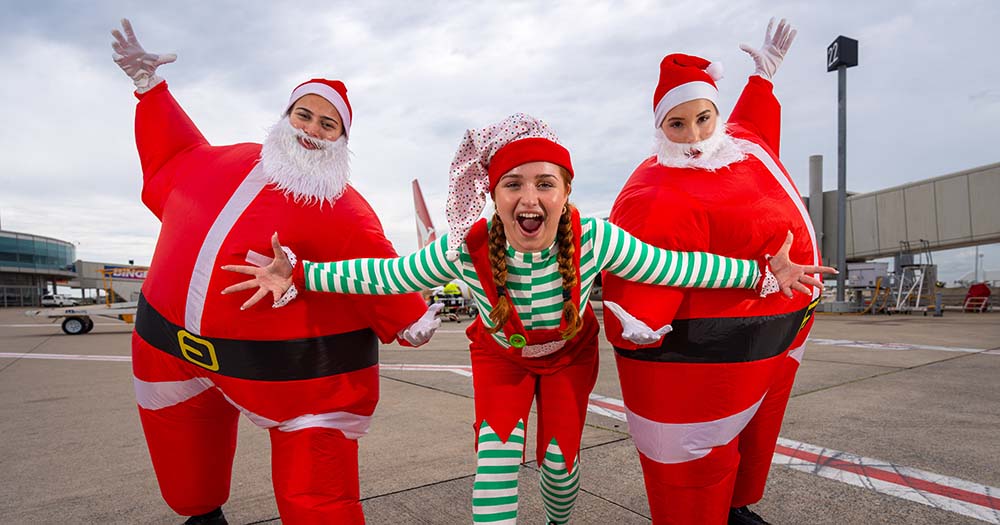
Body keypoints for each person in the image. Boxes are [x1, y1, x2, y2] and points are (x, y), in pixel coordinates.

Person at [221, 113, 831, 525]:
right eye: (513, 185)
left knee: (562, 474)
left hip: (569, 358)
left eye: (545, 183)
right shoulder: (468, 249)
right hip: (500, 361)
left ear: (565, 191)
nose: (529, 199)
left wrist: (759, 276)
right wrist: (299, 276)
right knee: (494, 476)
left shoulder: (596, 240)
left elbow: (676, 268)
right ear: (494, 195)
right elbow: (383, 277)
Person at [111, 19, 436, 524]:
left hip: (298, 379)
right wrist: (150, 90)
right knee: (187, 479)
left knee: (317, 493)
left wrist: (410, 318)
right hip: (170, 351)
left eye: (328, 125)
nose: (311, 130)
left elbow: (375, 266)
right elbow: (175, 151)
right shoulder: (218, 164)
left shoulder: (345, 211)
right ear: (285, 117)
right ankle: (201, 514)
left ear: (342, 140)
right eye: (304, 115)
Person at [601, 18, 823, 525]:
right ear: (660, 127)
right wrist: (634, 320)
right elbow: (644, 261)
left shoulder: (741, 144)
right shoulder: (656, 191)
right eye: (677, 125)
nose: (695, 136)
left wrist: (762, 79)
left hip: (782, 327)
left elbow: (754, 124)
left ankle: (737, 506)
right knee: (696, 454)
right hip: (709, 348)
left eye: (704, 118)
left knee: (757, 430)